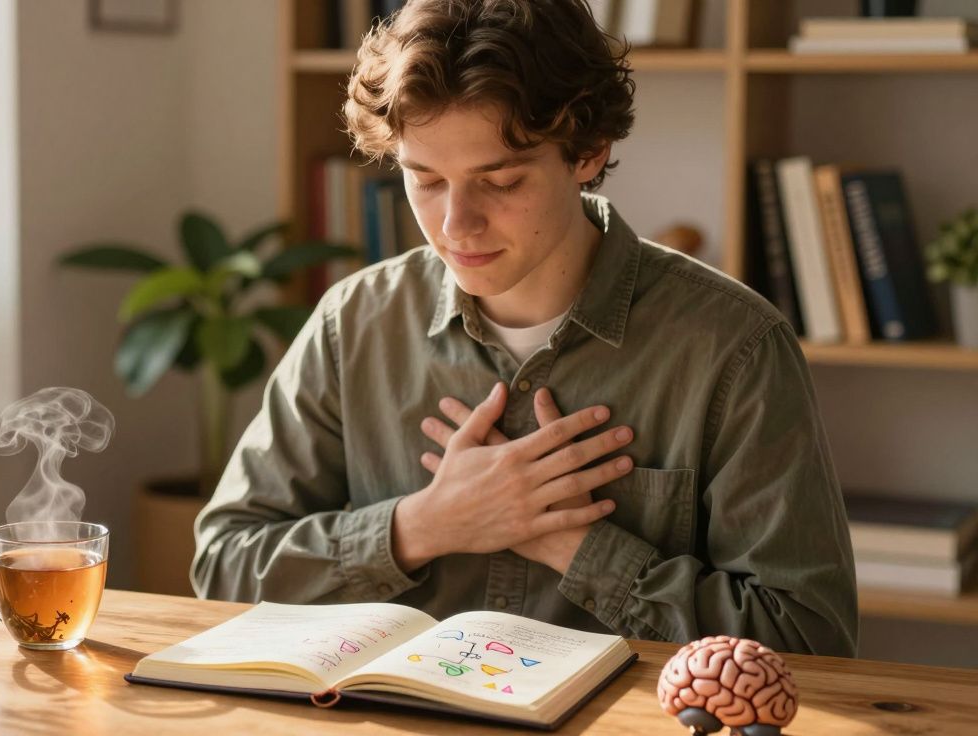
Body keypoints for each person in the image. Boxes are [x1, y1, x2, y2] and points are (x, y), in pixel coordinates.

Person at [191, 0, 857, 657]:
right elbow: (221, 569)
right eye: (423, 180)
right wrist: (422, 526)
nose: (456, 224)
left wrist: (580, 548)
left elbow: (810, 640)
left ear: (589, 151)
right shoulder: (355, 323)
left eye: (500, 181)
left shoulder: (733, 347)